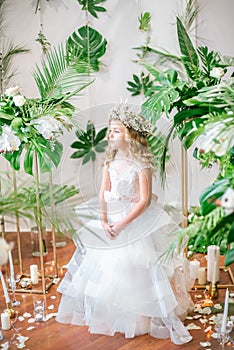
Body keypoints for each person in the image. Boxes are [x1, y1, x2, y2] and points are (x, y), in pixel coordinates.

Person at [56, 104, 194, 345]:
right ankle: (113, 313)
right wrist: (103, 219)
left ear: (131, 135)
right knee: (107, 270)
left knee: (137, 266)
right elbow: (103, 193)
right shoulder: (109, 163)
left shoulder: (141, 166)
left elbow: (144, 200)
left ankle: (140, 315)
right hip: (109, 218)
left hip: (134, 221)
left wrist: (121, 224)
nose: (110, 135)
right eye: (109, 131)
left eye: (116, 131)